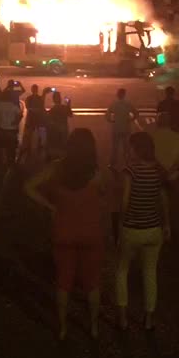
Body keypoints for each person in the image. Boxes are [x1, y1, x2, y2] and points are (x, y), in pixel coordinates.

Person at [25, 128, 110, 340]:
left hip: (63, 231)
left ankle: (62, 328)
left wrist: (50, 206)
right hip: (91, 232)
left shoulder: (56, 168)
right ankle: (93, 327)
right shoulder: (97, 174)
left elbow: (28, 187)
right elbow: (104, 197)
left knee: (63, 281)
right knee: (92, 282)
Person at [116, 131, 170, 331]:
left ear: (136, 149)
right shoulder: (159, 170)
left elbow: (124, 201)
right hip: (154, 229)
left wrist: (121, 222)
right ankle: (148, 319)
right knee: (150, 272)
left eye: (130, 146)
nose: (128, 150)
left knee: (122, 270)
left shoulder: (130, 171)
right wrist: (167, 224)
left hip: (132, 228)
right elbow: (164, 200)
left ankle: (122, 318)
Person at [106, 88, 139, 169]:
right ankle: (128, 163)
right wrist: (131, 119)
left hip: (116, 128)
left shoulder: (114, 104)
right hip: (126, 127)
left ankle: (113, 163)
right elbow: (136, 113)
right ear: (124, 95)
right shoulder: (128, 104)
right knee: (126, 147)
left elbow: (107, 115)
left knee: (115, 147)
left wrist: (111, 120)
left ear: (117, 95)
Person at [153, 111, 179, 180]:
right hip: (172, 175)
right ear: (169, 122)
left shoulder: (151, 136)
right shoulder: (177, 137)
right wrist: (169, 172)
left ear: (157, 122)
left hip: (154, 173)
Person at [0, 88, 22, 165]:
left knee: (2, 146)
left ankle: (3, 162)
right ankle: (11, 162)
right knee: (12, 147)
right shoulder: (13, 105)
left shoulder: (0, 105)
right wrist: (16, 122)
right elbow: (20, 115)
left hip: (2, 129)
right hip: (12, 129)